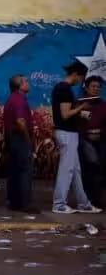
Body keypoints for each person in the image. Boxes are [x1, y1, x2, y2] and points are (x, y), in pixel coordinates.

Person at [51, 62, 101, 214]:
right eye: (81, 77)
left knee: (76, 170)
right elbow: (65, 115)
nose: (81, 81)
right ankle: (59, 204)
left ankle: (84, 203)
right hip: (67, 133)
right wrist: (81, 107)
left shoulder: (62, 88)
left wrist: (79, 111)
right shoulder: (64, 89)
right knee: (67, 169)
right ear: (76, 74)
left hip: (68, 133)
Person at [3, 74, 35, 213]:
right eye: (26, 81)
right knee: (24, 170)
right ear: (20, 85)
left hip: (12, 139)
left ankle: (14, 202)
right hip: (19, 139)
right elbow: (21, 123)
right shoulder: (19, 100)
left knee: (15, 171)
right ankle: (24, 203)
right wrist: (28, 142)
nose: (28, 83)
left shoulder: (12, 99)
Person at [78, 75, 106, 207]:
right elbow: (75, 123)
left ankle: (96, 201)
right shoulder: (80, 104)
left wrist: (99, 133)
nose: (96, 89)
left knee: (99, 170)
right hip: (84, 141)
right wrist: (87, 134)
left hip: (101, 142)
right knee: (87, 170)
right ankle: (86, 200)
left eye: (98, 87)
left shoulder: (103, 105)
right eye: (93, 86)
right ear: (87, 88)